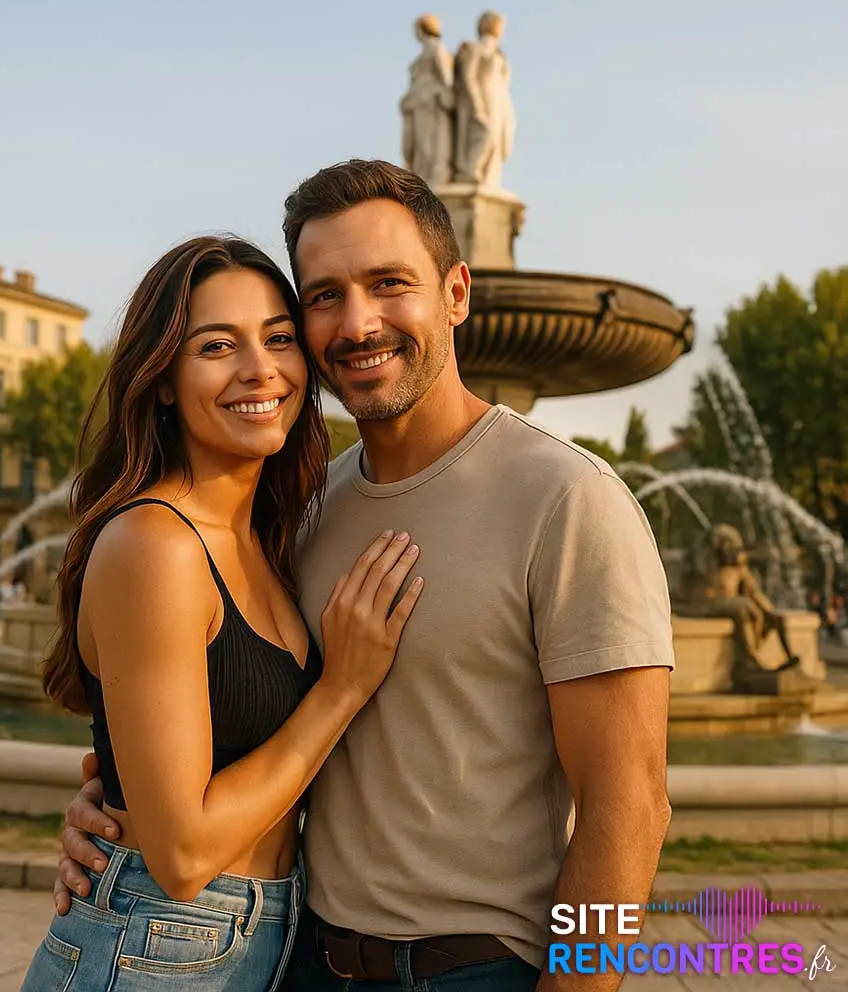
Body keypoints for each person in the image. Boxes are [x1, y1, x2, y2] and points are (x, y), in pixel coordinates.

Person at [55, 160, 676, 992]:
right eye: (323, 295)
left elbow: (628, 810)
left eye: (390, 284)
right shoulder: (305, 510)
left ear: (456, 293)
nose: (358, 323)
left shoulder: (568, 500)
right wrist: (114, 815)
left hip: (475, 970)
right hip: (300, 959)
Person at [20, 236, 424, 992]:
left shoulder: (269, 536)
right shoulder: (155, 544)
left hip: (267, 931)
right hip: (164, 943)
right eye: (217, 345)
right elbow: (180, 855)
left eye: (278, 338)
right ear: (163, 379)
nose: (260, 369)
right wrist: (341, 688)